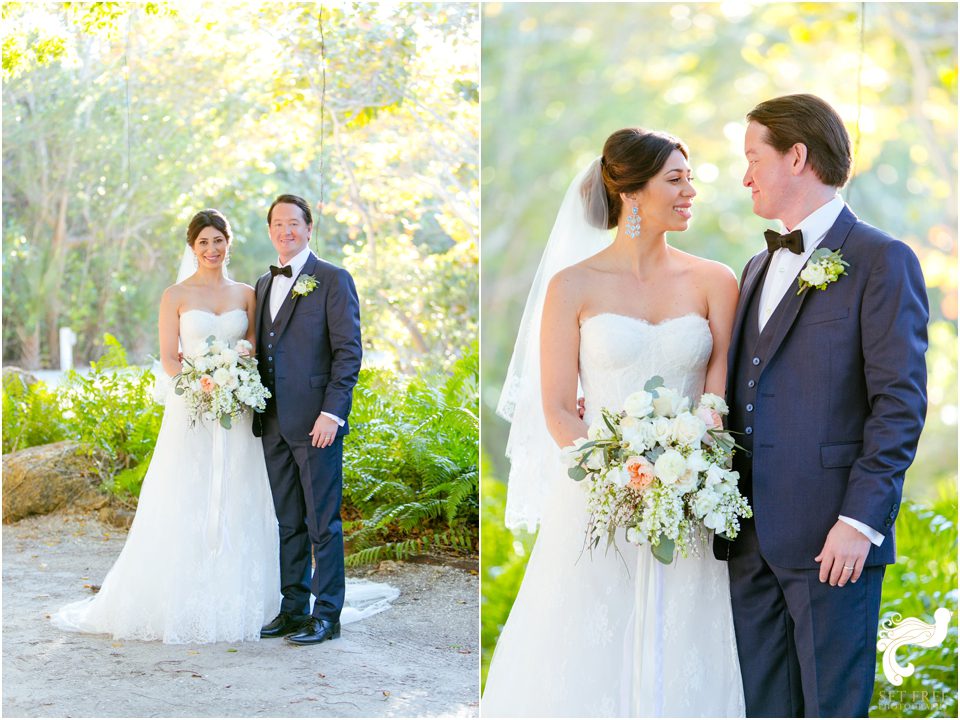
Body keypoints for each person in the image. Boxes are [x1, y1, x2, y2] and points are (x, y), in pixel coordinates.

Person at [483, 129, 745, 716]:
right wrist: (617, 472)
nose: (690, 191)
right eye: (675, 180)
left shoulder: (715, 281)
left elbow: (719, 395)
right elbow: (554, 407)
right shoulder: (571, 286)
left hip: (689, 498)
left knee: (686, 637)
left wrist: (683, 468)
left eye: (690, 177)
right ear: (631, 193)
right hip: (599, 497)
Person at [715, 94, 928, 717]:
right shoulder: (756, 265)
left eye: (754, 157)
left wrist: (859, 523)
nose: (745, 174)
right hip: (749, 540)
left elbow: (899, 404)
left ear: (797, 156)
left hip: (833, 545)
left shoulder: (882, 259)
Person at [53, 209, 281, 643]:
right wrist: (202, 386)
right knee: (184, 493)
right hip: (192, 410)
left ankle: (248, 597)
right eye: (203, 243)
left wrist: (235, 380)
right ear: (192, 248)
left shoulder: (247, 293)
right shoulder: (175, 295)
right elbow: (170, 358)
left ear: (228, 243)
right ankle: (180, 594)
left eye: (218, 241)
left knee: (240, 490)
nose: (211, 250)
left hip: (237, 410)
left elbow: (251, 347)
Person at [253, 194, 364, 645]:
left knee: (323, 523)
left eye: (294, 223)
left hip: (318, 424)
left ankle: (327, 614)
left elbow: (348, 353)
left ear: (309, 227)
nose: (286, 231)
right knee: (288, 521)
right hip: (273, 422)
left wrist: (332, 414)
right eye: (278, 224)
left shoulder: (333, 279)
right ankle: (293, 607)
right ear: (270, 231)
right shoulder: (262, 283)